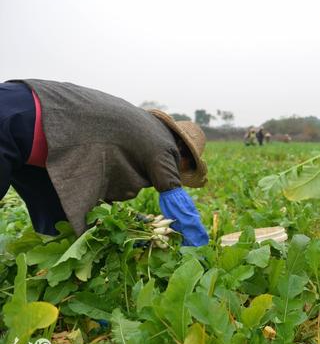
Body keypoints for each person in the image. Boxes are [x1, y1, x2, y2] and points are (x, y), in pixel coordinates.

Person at [0, 79, 210, 246]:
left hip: (24, 117)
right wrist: (197, 250)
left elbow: (86, 194)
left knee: (56, 216)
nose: (176, 173)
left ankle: (45, 267)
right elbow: (179, 206)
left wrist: (133, 225)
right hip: (16, 118)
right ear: (182, 153)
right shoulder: (164, 146)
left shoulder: (143, 130)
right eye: (181, 170)